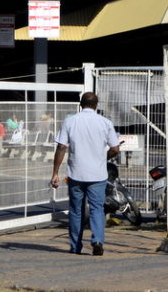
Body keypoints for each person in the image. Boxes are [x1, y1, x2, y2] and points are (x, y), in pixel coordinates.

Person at [50, 92, 121, 256]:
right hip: (98, 174)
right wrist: (104, 158)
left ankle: (75, 246)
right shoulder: (105, 123)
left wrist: (55, 173)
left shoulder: (70, 122)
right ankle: (97, 240)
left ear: (80, 104)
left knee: (76, 210)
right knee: (97, 209)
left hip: (76, 174)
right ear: (96, 105)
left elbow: (61, 148)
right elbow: (115, 149)